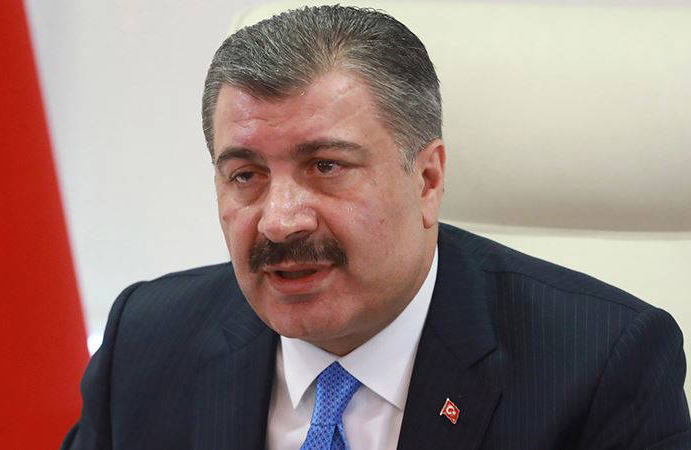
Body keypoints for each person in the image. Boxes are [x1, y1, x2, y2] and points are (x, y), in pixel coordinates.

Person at [62, 5, 690, 449]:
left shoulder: (601, 363)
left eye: (326, 166)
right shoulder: (147, 341)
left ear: (427, 179)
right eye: (246, 175)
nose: (279, 221)